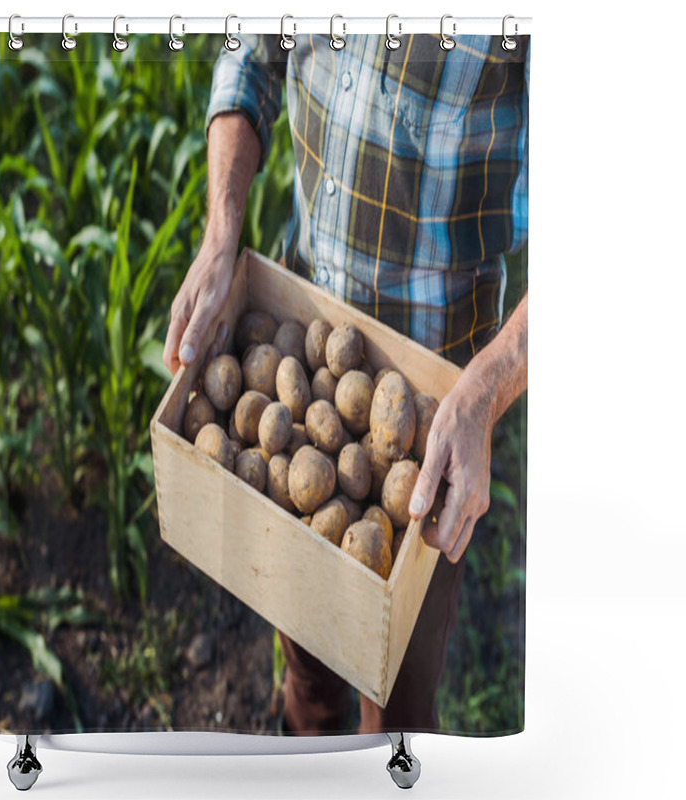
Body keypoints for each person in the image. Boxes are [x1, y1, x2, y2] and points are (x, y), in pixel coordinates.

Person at [163, 33, 529, 735]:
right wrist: (220, 233)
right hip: (301, 309)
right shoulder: (296, 406)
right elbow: (250, 50)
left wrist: (486, 390)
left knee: (398, 700)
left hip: (436, 410)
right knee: (306, 662)